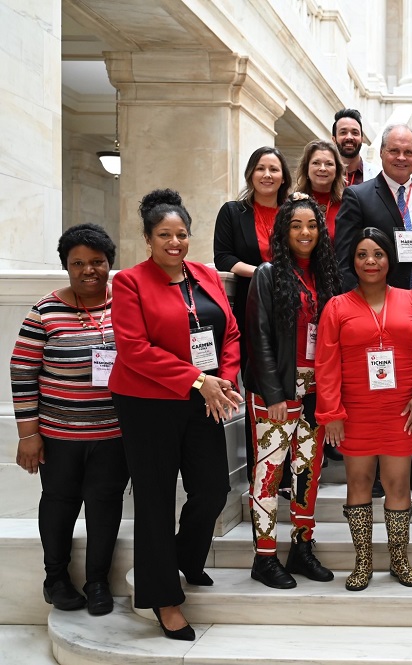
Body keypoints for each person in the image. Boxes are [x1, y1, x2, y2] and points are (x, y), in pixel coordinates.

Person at [110, 189, 242, 640]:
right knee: (155, 499)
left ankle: (185, 556)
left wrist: (221, 378)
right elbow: (133, 350)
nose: (174, 242)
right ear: (148, 239)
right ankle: (164, 598)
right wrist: (196, 379)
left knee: (212, 488)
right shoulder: (128, 282)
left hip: (205, 398)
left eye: (181, 234)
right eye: (164, 235)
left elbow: (230, 332)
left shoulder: (204, 274)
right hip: (148, 404)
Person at [11, 224, 128, 617]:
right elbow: (22, 371)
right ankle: (55, 579)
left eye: (97, 262)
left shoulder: (126, 304)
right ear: (66, 266)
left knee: (105, 505)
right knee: (59, 503)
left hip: (114, 435)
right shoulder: (45, 310)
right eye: (78, 263)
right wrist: (29, 435)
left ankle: (98, 582)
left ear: (110, 263)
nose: (88, 270)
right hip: (58, 434)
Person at [316, 227, 412, 591]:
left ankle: (399, 560)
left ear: (390, 259)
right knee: (359, 483)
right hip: (355, 412)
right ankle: (363, 562)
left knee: (399, 483)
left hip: (402, 410)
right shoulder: (337, 306)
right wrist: (332, 412)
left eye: (378, 254)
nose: (370, 261)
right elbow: (325, 364)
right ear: (352, 262)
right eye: (362, 255)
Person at [334, 123, 412, 495]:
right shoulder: (359, 196)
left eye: (408, 152)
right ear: (381, 153)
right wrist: (362, 309)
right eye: (394, 151)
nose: (401, 158)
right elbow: (345, 258)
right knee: (379, 393)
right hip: (375, 312)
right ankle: (378, 468)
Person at [244, 193, 341, 589]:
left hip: (316, 390)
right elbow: (260, 338)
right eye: (296, 225)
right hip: (278, 393)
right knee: (269, 474)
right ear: (283, 231)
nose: (305, 232)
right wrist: (274, 395)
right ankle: (264, 557)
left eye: (312, 225)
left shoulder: (327, 276)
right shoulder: (268, 274)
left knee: (306, 472)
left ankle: (301, 548)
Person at [213, 146, 293, 485]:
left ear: (283, 177)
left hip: (291, 309)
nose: (267, 175)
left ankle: (289, 469)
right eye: (261, 168)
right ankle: (260, 468)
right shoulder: (233, 212)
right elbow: (223, 257)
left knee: (288, 382)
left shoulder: (293, 212)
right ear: (251, 174)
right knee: (257, 383)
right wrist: (264, 272)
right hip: (250, 306)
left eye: (274, 169)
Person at [294, 139, 346, 233]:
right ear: (306, 169)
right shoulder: (293, 203)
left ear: (337, 171)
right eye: (316, 163)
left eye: (329, 164)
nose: (322, 168)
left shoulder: (346, 204)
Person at [332, 108, 377, 186]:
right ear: (334, 139)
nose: (349, 137)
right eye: (343, 132)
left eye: (355, 133)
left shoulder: (377, 175)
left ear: (362, 139)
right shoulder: (325, 174)